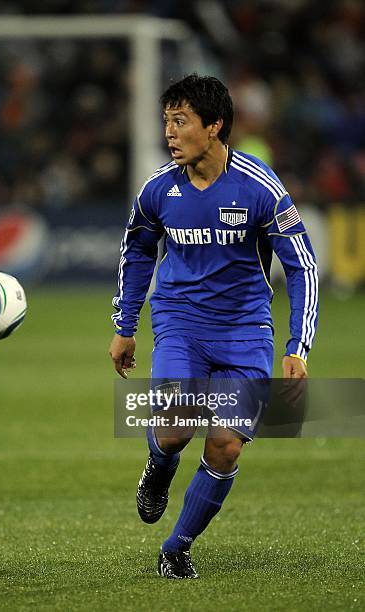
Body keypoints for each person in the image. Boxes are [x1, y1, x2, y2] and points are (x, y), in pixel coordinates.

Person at [109, 74, 318, 579]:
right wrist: (125, 323)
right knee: (177, 422)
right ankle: (159, 469)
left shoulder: (259, 187)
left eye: (181, 122)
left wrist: (299, 346)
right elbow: (137, 251)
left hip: (246, 329)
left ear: (215, 125)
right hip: (179, 320)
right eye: (167, 122)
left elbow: (302, 265)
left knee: (224, 445)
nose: (170, 133)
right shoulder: (159, 189)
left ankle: (176, 547)